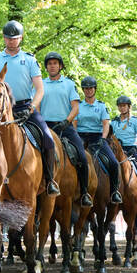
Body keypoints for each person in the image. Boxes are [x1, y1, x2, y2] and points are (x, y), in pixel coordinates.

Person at [0, 20, 60, 195]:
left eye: (15, 38)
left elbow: (40, 89)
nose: (11, 41)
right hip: (0, 111)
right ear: (4, 38)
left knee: (48, 138)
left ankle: (49, 181)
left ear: (21, 38)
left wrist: (32, 107)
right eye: (8, 38)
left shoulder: (29, 59)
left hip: (25, 108)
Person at [39, 52, 91, 206]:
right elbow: (36, 106)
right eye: (49, 64)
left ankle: (84, 193)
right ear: (46, 67)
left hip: (65, 126)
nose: (52, 66)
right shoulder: (40, 84)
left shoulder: (68, 84)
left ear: (60, 66)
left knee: (82, 156)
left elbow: (76, 108)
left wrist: (67, 121)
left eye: (55, 63)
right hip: (45, 125)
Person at [74, 76, 122, 204]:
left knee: (114, 163)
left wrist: (103, 138)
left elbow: (106, 124)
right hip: (81, 137)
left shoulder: (101, 106)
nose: (88, 90)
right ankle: (79, 191)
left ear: (95, 89)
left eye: (90, 88)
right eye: (86, 88)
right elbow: (74, 124)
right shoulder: (78, 105)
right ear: (83, 90)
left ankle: (114, 192)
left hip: (97, 138)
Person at [111, 95, 137, 207]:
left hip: (132, 149)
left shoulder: (134, 121)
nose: (122, 108)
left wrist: (135, 146)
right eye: (120, 106)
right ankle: (111, 193)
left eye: (124, 106)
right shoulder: (114, 121)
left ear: (129, 107)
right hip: (118, 150)